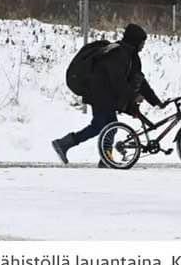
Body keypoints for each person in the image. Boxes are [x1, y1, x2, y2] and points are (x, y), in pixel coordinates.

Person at [51, 24, 164, 167]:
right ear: (135, 41)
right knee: (102, 126)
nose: (143, 45)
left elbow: (140, 81)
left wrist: (156, 102)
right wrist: (133, 97)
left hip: (107, 96)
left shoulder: (132, 57)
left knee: (106, 126)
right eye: (142, 42)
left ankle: (100, 156)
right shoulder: (118, 54)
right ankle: (69, 145)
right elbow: (118, 82)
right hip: (99, 93)